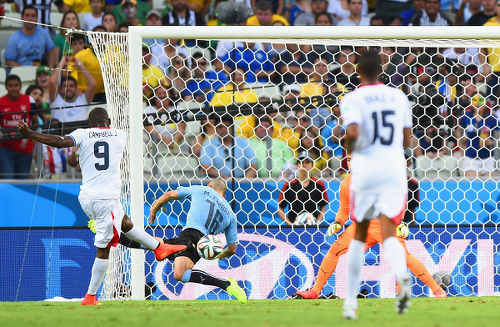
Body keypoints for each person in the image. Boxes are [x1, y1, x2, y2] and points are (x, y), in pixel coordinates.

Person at [17, 108, 187, 305]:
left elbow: (60, 143)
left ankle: (158, 247)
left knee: (125, 222)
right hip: (104, 199)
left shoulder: (82, 134)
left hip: (88, 197)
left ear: (90, 124)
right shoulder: (119, 135)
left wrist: (30, 134)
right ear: (108, 121)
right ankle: (90, 296)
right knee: (104, 249)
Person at [293, 155, 447, 300]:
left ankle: (436, 290)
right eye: (349, 159)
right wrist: (338, 223)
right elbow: (345, 209)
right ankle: (315, 291)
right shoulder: (347, 182)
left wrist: (400, 222)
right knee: (334, 251)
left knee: (404, 256)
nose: (352, 162)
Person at [339, 48, 413, 319]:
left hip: (367, 169)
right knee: (389, 231)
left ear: (358, 71)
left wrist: (349, 146)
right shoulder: (399, 96)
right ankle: (402, 276)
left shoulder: (353, 98)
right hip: (394, 169)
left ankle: (350, 303)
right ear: (381, 70)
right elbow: (406, 141)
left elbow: (354, 133)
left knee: (358, 234)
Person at [147, 179, 247, 303]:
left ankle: (226, 284)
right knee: (180, 274)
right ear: (224, 195)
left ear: (210, 186)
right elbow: (233, 249)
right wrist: (219, 255)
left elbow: (170, 195)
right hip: (203, 244)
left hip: (190, 233)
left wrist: (154, 209)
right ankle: (226, 284)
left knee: (157, 245)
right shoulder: (231, 215)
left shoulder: (203, 189)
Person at [200, 113, 257, 179]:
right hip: (216, 182)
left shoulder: (243, 142)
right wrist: (224, 177)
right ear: (216, 128)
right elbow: (205, 166)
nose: (224, 129)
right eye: (220, 127)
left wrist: (245, 181)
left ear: (232, 127)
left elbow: (253, 166)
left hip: (241, 181)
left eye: (226, 126)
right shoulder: (209, 144)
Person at [278, 151, 329, 225]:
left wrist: (317, 222)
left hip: (313, 227)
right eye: (301, 162)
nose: (304, 165)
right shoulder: (289, 185)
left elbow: (323, 206)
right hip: (294, 228)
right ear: (298, 165)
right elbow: (280, 209)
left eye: (307, 162)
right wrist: (290, 225)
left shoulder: (318, 184)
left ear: (312, 165)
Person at [0, 75, 35, 179]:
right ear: (6, 87)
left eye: (16, 85)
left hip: (25, 148)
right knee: (8, 181)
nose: (13, 88)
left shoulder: (29, 100)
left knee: (23, 182)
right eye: (10, 85)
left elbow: (35, 119)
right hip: (6, 148)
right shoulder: (0, 102)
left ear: (20, 86)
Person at [48, 56, 96, 122]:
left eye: (71, 86)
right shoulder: (55, 100)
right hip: (60, 132)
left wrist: (79, 64)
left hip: (80, 132)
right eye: (65, 86)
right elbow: (52, 82)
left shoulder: (83, 100)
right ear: (60, 90)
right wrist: (62, 63)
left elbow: (92, 84)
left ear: (76, 89)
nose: (68, 88)